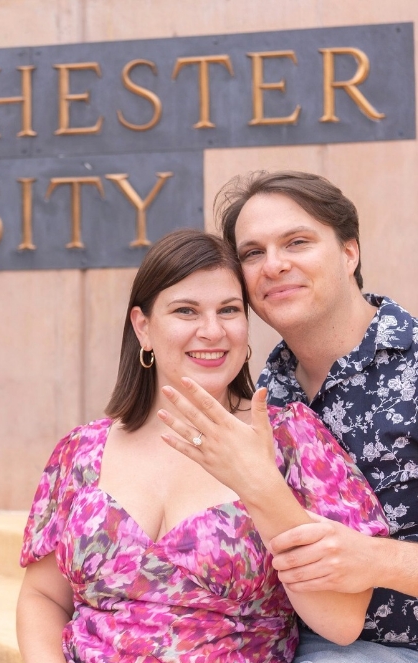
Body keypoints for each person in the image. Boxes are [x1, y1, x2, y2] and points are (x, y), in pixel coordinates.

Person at [15, 229, 389, 663]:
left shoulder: (292, 437)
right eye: (186, 311)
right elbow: (43, 596)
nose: (212, 331)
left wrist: (262, 486)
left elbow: (341, 621)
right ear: (143, 327)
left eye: (229, 310)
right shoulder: (80, 451)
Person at [159, 171, 417, 662]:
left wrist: (380, 560)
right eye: (253, 253)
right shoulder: (264, 393)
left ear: (349, 252)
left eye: (297, 242)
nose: (273, 265)